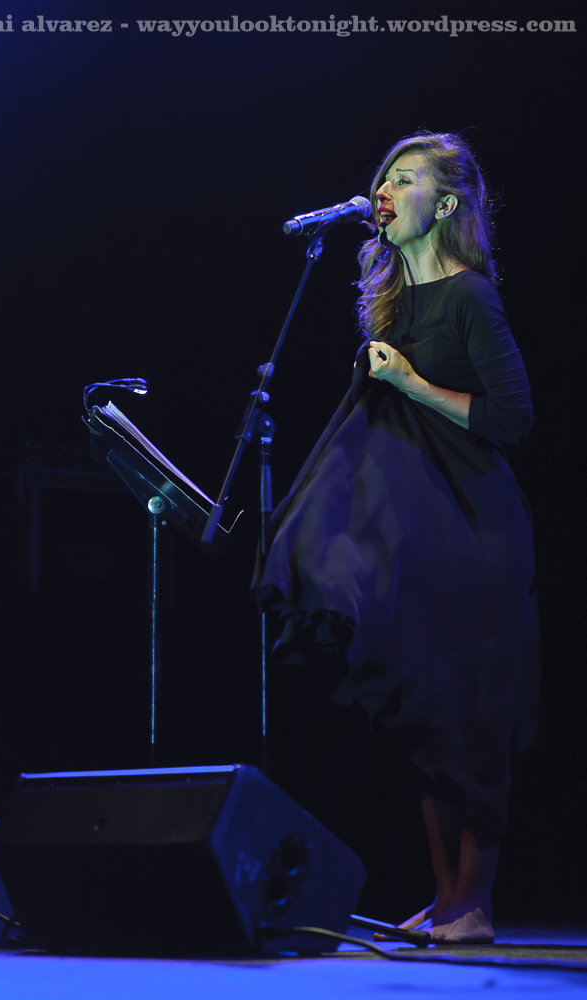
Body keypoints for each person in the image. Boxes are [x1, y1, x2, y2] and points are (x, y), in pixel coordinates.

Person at [253, 132, 538, 944]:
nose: (383, 188)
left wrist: (412, 383)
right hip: (416, 537)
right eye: (382, 176)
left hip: (474, 531)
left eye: (405, 179)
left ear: (443, 205)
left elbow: (513, 418)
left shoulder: (469, 295)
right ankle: (446, 901)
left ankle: (473, 902)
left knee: (470, 718)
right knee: (422, 719)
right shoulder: (389, 305)